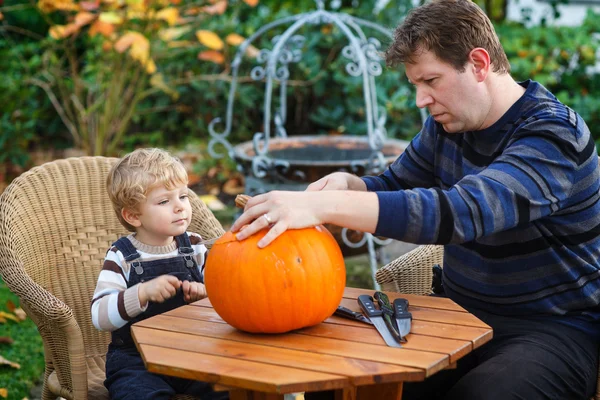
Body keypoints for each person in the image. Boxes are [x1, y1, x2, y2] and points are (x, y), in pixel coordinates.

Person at [231, 0, 600, 399]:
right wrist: (347, 187)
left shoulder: (554, 136)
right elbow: (394, 186)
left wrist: (319, 207)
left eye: (431, 81)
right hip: (456, 316)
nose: (421, 100)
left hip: (552, 328)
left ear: (478, 64)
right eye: (416, 85)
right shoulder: (449, 125)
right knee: (339, 377)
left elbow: (461, 211)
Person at [91, 148, 228, 400]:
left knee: (231, 390)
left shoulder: (195, 246)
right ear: (133, 216)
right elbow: (99, 316)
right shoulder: (122, 256)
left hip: (193, 353)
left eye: (183, 196)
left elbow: (226, 301)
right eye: (165, 201)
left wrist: (205, 294)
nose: (180, 207)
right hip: (137, 361)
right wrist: (140, 293)